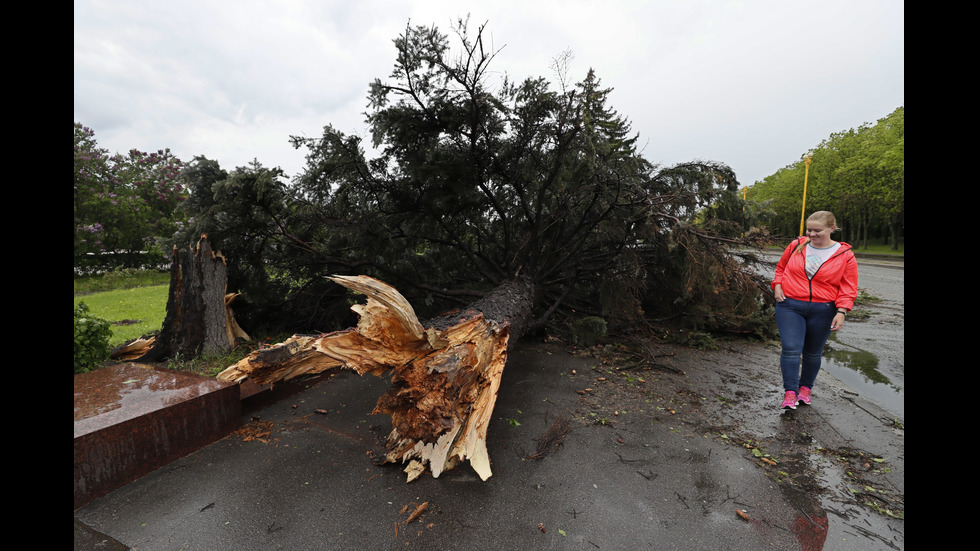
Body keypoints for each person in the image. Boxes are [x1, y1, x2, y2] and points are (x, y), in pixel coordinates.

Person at [771, 211, 858, 410]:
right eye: (809, 230)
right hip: (790, 305)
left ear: (831, 228)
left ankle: (805, 390)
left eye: (817, 230)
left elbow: (848, 286)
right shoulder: (796, 245)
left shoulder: (845, 255)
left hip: (824, 309)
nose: (811, 234)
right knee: (791, 348)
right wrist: (777, 285)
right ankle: (790, 393)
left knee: (812, 352)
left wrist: (842, 311)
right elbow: (781, 268)